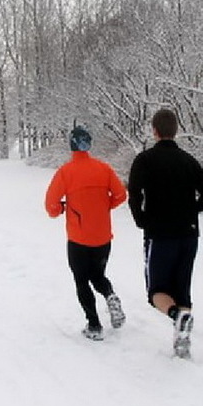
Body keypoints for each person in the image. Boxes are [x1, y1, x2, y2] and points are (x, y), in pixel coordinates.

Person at [128, 108, 203, 358]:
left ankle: (177, 317)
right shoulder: (189, 161)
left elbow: (134, 195)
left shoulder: (143, 160)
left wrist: (142, 220)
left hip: (159, 234)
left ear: (154, 131)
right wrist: (189, 211)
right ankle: (181, 341)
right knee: (182, 287)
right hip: (189, 235)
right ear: (175, 131)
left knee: (156, 292)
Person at [45, 125, 128, 341]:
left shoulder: (66, 172)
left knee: (82, 280)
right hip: (102, 237)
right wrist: (103, 206)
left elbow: (51, 206)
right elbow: (120, 195)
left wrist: (63, 208)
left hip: (78, 238)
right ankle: (110, 295)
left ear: (71, 145)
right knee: (97, 275)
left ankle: (94, 325)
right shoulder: (104, 168)